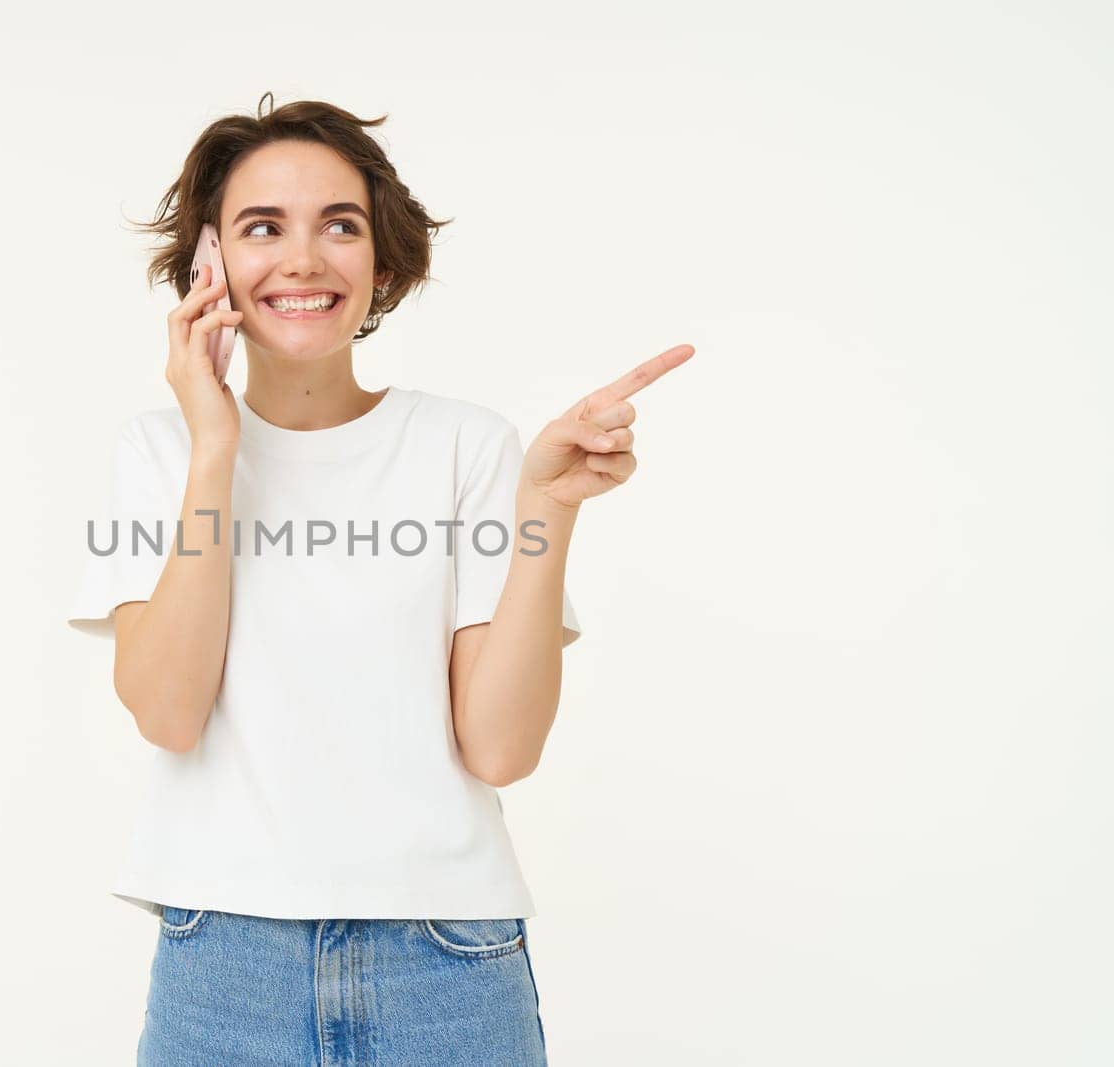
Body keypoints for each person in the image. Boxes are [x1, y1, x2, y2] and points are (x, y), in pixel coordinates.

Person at [68, 92, 693, 1066]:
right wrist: (215, 448)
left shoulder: (468, 446)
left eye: (340, 225)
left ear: (385, 259)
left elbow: (499, 746)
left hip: (443, 960)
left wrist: (548, 509)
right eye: (261, 226)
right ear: (208, 263)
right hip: (222, 965)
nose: (304, 258)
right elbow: (168, 711)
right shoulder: (162, 451)